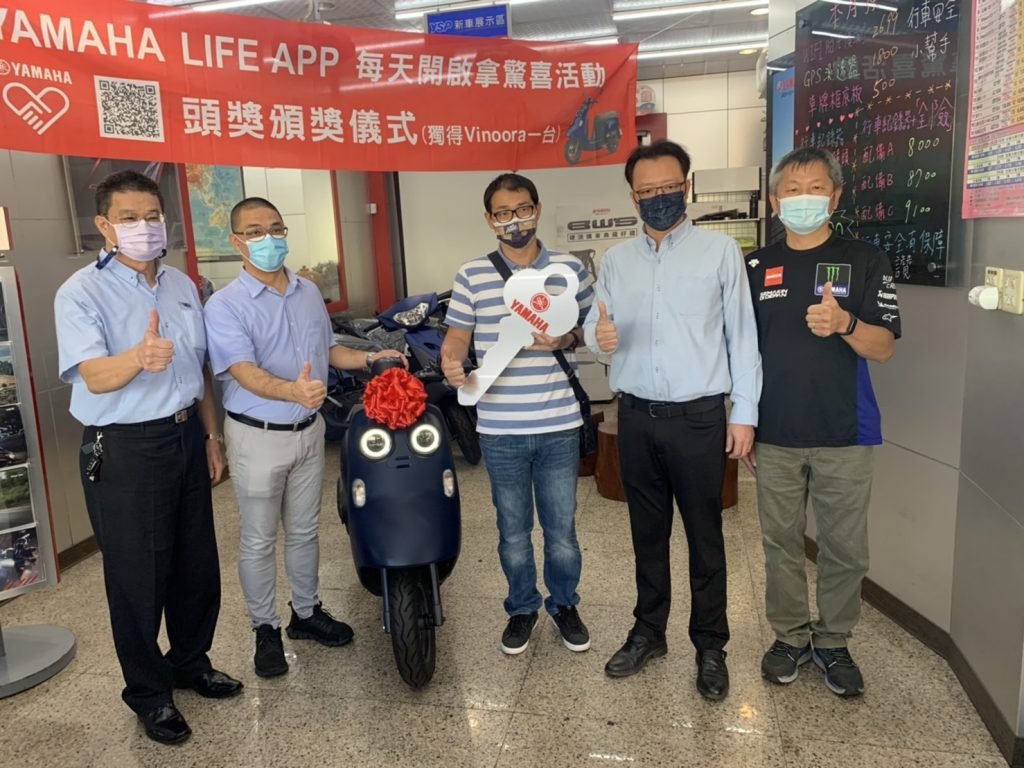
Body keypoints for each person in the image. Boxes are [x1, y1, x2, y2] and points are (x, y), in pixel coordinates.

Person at [54, 170, 241, 745]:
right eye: (130, 218)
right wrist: (137, 357)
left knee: (195, 564)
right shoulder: (80, 292)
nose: (145, 227)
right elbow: (91, 374)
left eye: (153, 216)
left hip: (185, 437)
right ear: (104, 225)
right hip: (126, 447)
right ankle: (149, 693)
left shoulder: (181, 283)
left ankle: (190, 662)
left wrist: (211, 437)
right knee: (138, 577)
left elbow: (199, 369)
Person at [583, 140, 761, 701]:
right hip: (635, 417)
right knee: (647, 534)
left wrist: (745, 413)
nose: (658, 197)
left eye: (668, 187)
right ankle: (648, 631)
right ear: (632, 196)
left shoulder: (719, 253)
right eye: (647, 191)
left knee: (706, 537)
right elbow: (596, 330)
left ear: (686, 187)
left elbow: (742, 337)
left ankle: (710, 645)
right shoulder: (616, 261)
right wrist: (599, 338)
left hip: (700, 418)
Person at [203, 197, 404, 679]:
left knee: (305, 530)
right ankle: (265, 629)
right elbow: (242, 370)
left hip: (309, 431)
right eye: (255, 231)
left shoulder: (307, 291)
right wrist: (290, 390)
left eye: (276, 228)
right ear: (237, 241)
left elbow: (328, 349)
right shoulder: (225, 305)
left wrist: (369, 359)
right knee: (257, 540)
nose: (268, 239)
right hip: (257, 436)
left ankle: (307, 613)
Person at [744, 146, 900, 697]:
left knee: (845, 549)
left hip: (845, 433)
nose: (802, 198)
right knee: (780, 544)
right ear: (774, 200)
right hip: (775, 433)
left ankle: (833, 641)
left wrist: (845, 323)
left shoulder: (865, 259)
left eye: (815, 188)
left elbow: (884, 347)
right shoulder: (755, 267)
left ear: (835, 197)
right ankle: (789, 637)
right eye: (791, 189)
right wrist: (743, 422)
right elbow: (742, 353)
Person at [440, 173, 595, 656]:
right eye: (504, 214)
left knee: (562, 532)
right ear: (490, 220)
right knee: (512, 532)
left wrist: (567, 338)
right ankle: (522, 608)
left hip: (558, 425)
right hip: (500, 429)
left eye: (523, 209)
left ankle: (564, 604)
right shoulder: (472, 274)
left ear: (537, 208)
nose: (515, 221)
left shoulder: (570, 268)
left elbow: (591, 330)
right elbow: (457, 337)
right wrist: (450, 361)